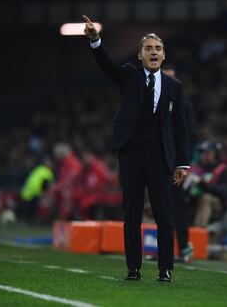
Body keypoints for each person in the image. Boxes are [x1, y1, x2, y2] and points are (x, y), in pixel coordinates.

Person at [83, 15, 189, 282]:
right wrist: (96, 41)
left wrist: (183, 163)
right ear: (140, 55)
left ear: (164, 56)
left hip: (160, 156)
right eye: (148, 48)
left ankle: (165, 269)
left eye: (158, 49)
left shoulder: (174, 87)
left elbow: (180, 126)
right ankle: (134, 268)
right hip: (131, 154)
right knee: (131, 215)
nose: (153, 52)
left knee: (164, 215)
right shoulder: (128, 75)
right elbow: (107, 65)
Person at [163, 64, 197, 263]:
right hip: (158, 162)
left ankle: (183, 248)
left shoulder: (184, 105)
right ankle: (163, 249)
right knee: (160, 208)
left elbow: (190, 135)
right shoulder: (153, 102)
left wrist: (184, 164)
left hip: (175, 165)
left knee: (178, 207)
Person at [20, 157, 54, 223]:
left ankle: (25, 221)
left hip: (26, 191)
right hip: (35, 192)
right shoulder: (48, 173)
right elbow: (46, 185)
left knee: (26, 209)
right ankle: (28, 221)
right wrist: (44, 193)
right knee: (31, 209)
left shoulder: (38, 169)